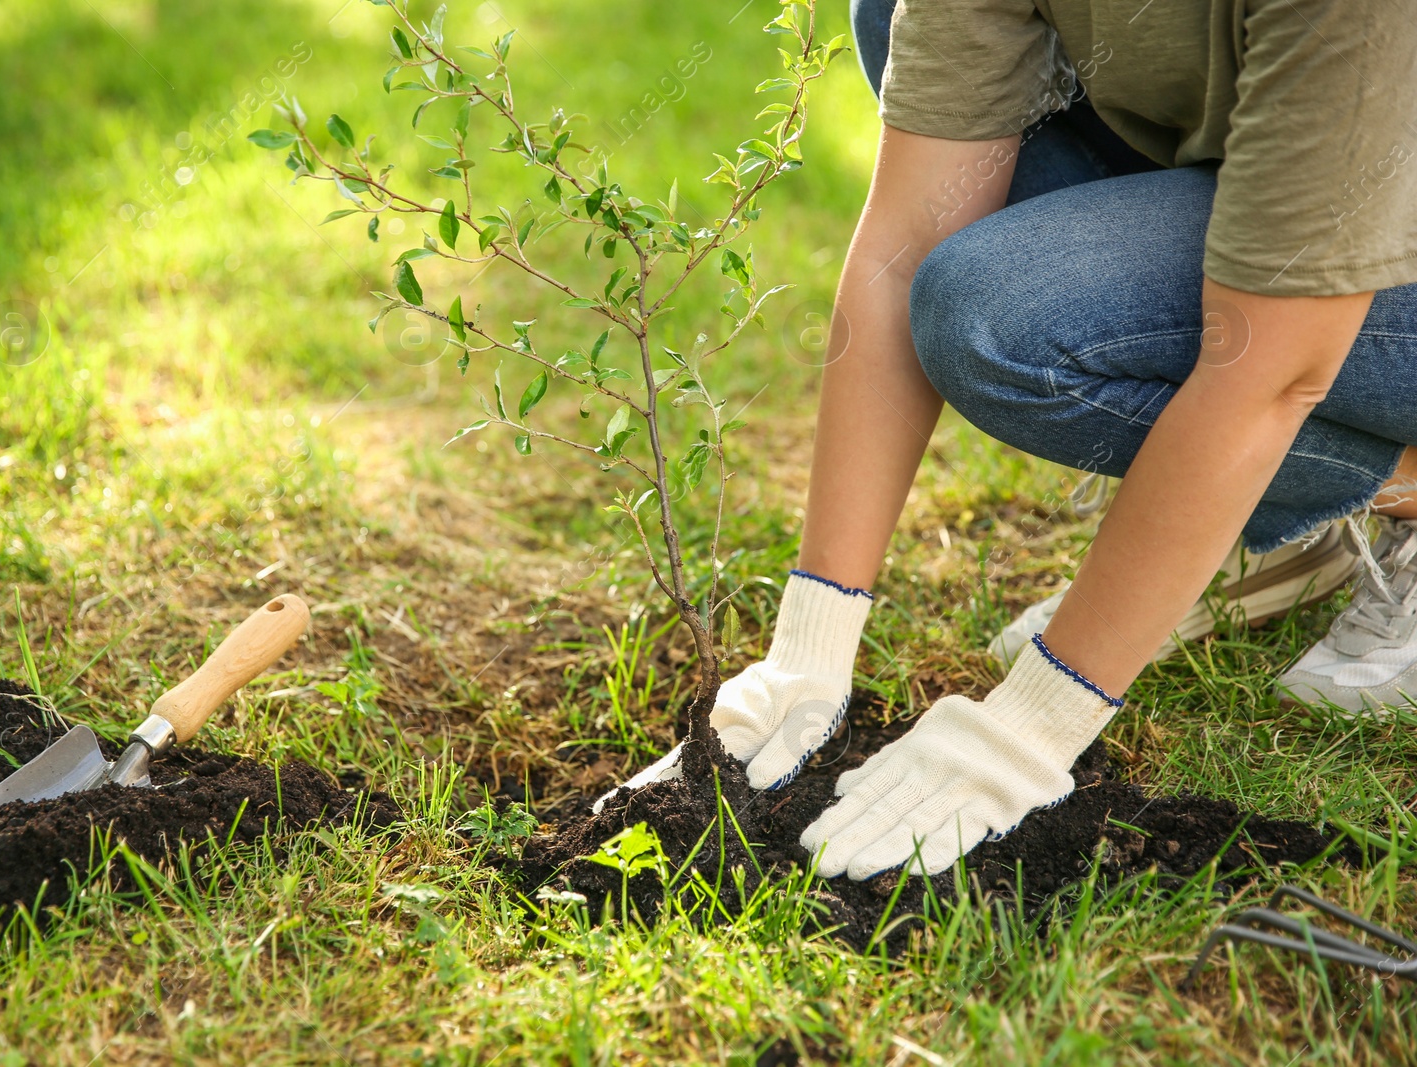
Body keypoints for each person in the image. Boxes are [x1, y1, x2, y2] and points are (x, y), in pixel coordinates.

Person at [601, 0, 1417, 881]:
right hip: (1289, 179)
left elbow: (1269, 371)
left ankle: (1379, 483)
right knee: (898, 28)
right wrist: (811, 643)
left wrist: (1032, 724)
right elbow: (912, 237)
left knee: (997, 318)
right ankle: (1271, 519)